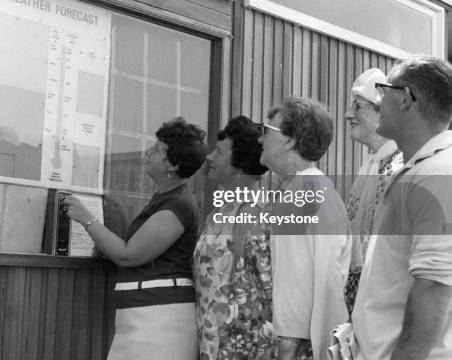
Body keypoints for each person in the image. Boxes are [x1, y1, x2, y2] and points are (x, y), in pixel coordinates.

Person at [64, 117, 207, 360]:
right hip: (146, 316)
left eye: (158, 149)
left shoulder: (177, 205)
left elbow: (128, 255)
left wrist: (87, 219)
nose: (147, 152)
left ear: (173, 164)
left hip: (160, 320)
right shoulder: (167, 198)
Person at [352, 56, 452, 360]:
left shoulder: (437, 174)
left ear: (407, 98)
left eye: (384, 91)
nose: (379, 101)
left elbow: (434, 288)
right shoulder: (422, 169)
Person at [258, 97, 351, 360]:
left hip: (298, 347)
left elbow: (295, 281)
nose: (259, 139)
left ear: (290, 140)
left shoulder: (301, 195)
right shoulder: (316, 188)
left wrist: (285, 348)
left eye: (266, 131)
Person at [193, 116, 272, 359]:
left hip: (230, 340)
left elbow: (246, 285)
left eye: (219, 152)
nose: (210, 157)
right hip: (211, 332)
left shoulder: (249, 211)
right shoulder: (225, 209)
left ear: (238, 163)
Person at [343, 68, 403, 312]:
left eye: (357, 106)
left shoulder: (397, 167)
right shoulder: (371, 164)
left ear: (382, 112)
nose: (348, 114)